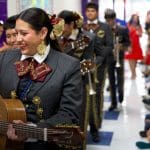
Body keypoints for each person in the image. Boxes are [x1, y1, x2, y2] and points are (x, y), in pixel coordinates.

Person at [0, 7, 83, 150]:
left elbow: (69, 114)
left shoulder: (68, 66)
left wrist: (31, 130)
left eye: (24, 34)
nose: (18, 39)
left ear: (43, 33)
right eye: (16, 33)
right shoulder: (4, 59)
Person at [57, 10, 104, 147]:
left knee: (86, 112)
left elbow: (97, 56)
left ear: (71, 25)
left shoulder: (88, 38)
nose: (59, 29)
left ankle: (91, 133)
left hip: (83, 80)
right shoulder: (56, 37)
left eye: (62, 25)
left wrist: (93, 64)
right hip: (60, 83)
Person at [83, 2, 113, 141]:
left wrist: (97, 62)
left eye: (92, 11)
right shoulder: (81, 27)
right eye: (88, 11)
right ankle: (82, 127)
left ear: (97, 12)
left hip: (99, 68)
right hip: (83, 69)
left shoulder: (105, 27)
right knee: (83, 98)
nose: (90, 13)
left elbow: (109, 46)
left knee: (96, 97)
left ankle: (95, 128)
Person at [104, 9, 130, 111]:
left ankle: (121, 94)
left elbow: (128, 43)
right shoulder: (104, 30)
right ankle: (113, 103)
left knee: (120, 79)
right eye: (107, 20)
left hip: (120, 57)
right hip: (109, 58)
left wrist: (121, 46)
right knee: (111, 80)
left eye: (110, 20)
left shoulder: (123, 29)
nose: (109, 22)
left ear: (114, 19)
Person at [124, 14, 143, 79]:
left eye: (136, 18)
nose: (135, 19)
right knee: (130, 59)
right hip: (130, 45)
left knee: (135, 59)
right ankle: (133, 73)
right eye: (134, 18)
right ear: (132, 18)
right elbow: (126, 34)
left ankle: (134, 72)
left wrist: (138, 32)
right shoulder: (128, 25)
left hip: (136, 45)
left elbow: (141, 35)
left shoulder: (139, 26)